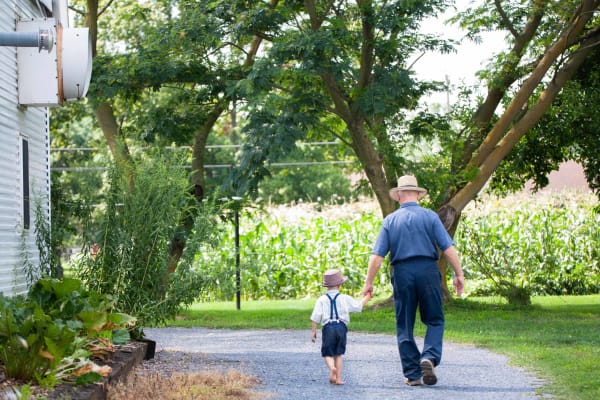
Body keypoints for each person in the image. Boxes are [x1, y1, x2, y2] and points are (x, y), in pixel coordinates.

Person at [362, 175, 465, 387]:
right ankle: (429, 356)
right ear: (418, 194)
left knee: (405, 324)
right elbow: (448, 248)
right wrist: (459, 274)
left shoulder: (390, 220)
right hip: (428, 270)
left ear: (399, 195)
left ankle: (412, 374)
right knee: (435, 319)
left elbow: (377, 256)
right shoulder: (430, 217)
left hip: (402, 272)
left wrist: (368, 282)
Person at [311, 269, 372, 385]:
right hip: (341, 327)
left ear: (326, 286)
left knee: (327, 353)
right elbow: (358, 306)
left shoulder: (322, 299)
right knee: (338, 354)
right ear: (339, 285)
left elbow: (315, 317)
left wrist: (313, 332)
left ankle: (332, 368)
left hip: (328, 327)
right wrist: (367, 297)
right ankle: (338, 379)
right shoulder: (344, 298)